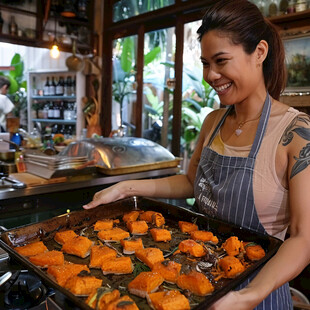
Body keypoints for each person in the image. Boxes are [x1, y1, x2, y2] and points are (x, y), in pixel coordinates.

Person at [83, 0, 310, 308]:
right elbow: (191, 182)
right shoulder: (213, 122)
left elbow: (302, 238)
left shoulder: (295, 132)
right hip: (201, 281)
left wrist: (249, 295)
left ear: (259, 53)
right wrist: (126, 188)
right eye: (205, 63)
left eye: (221, 61)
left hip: (259, 297)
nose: (211, 75)